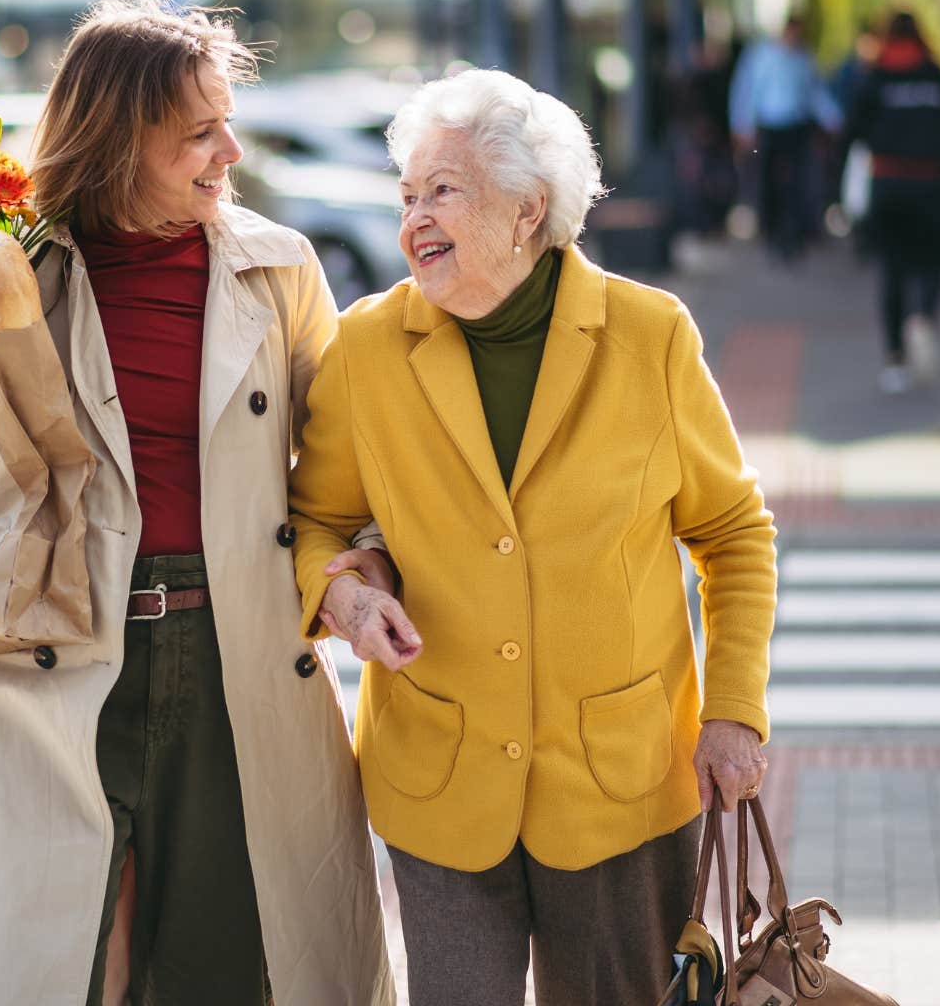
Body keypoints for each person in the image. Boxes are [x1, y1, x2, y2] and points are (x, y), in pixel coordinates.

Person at [0, 0, 395, 1006]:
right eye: (198, 132)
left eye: (227, 119)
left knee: (237, 976)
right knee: (77, 974)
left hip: (242, 665)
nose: (229, 149)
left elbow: (350, 469)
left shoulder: (279, 270)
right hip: (52, 668)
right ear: (121, 138)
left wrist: (365, 571)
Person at [288, 69, 777, 1006]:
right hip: (440, 773)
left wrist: (733, 712)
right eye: (407, 196)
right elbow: (315, 521)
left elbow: (732, 533)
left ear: (527, 211)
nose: (413, 221)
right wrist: (345, 597)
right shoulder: (368, 347)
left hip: (619, 780)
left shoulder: (649, 335)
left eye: (443, 192)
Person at [838, 11, 940, 394]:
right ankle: (924, 317)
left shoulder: (875, 78)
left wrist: (837, 197)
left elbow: (850, 133)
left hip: (888, 184)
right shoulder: (939, 78)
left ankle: (895, 361)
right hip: (933, 185)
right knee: (935, 261)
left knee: (893, 271)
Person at [729, 13, 842, 261]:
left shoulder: (803, 59)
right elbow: (748, 92)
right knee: (769, 181)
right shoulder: (764, 56)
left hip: (796, 128)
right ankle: (773, 232)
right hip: (770, 128)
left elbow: (815, 94)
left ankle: (792, 234)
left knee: (797, 183)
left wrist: (833, 119)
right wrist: (743, 125)